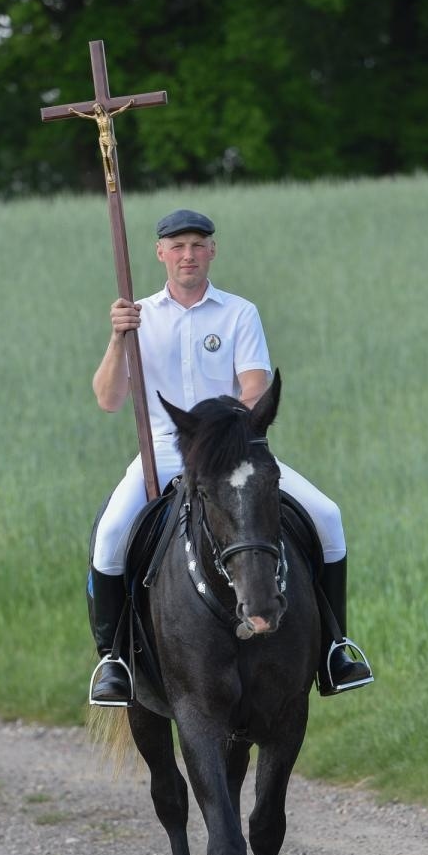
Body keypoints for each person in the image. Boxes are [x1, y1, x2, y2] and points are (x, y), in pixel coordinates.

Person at [88, 208, 372, 704]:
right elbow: (109, 400)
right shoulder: (138, 317)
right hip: (162, 451)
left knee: (328, 516)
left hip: (233, 453)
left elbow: (255, 388)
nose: (188, 254)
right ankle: (113, 661)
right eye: (177, 246)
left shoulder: (239, 313)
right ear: (160, 253)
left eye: (197, 244)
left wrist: (220, 438)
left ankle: (335, 649)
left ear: (212, 250)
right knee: (111, 534)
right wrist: (117, 339)